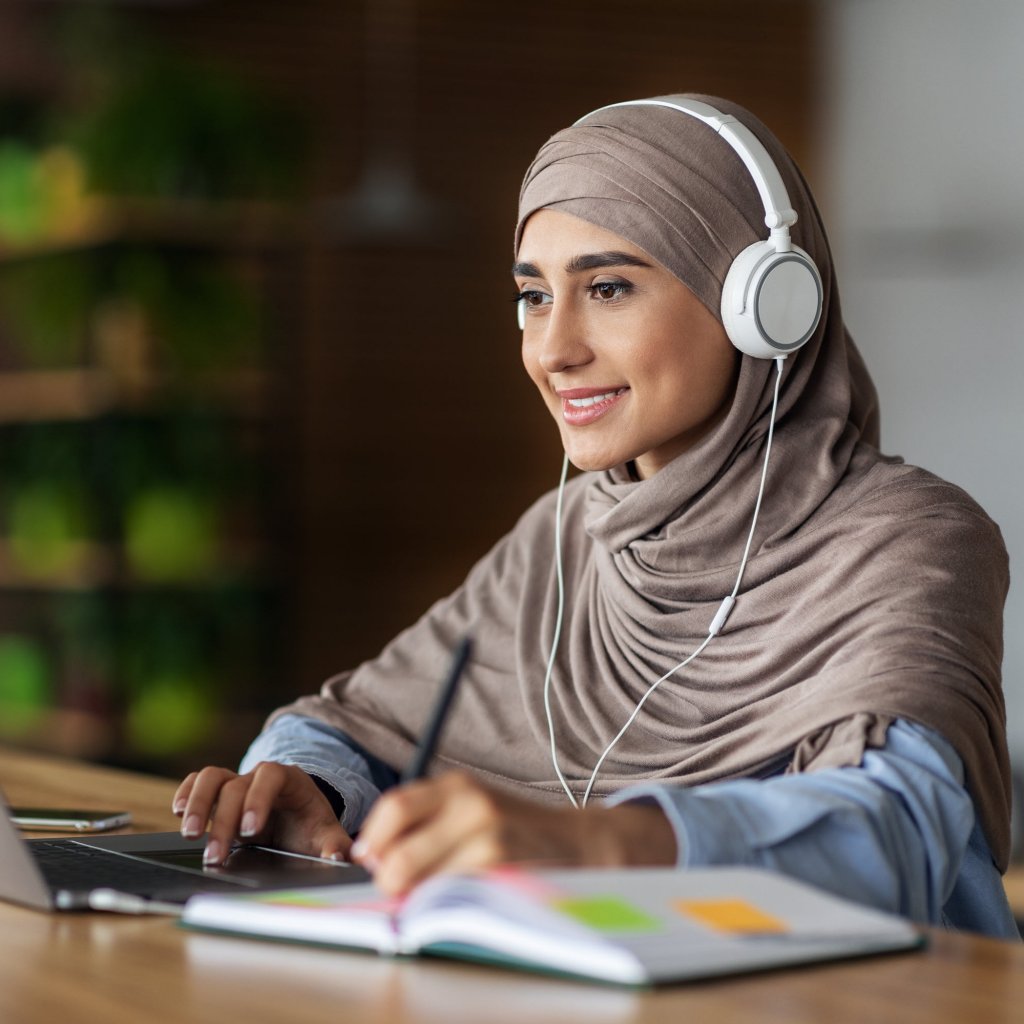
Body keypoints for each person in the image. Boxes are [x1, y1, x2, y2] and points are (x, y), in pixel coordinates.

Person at [174, 94, 1019, 939]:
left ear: (762, 307)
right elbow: (353, 721)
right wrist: (309, 787)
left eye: (608, 287)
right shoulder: (566, 534)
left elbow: (892, 837)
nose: (551, 349)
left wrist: (598, 840)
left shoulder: (912, 538)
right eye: (534, 296)